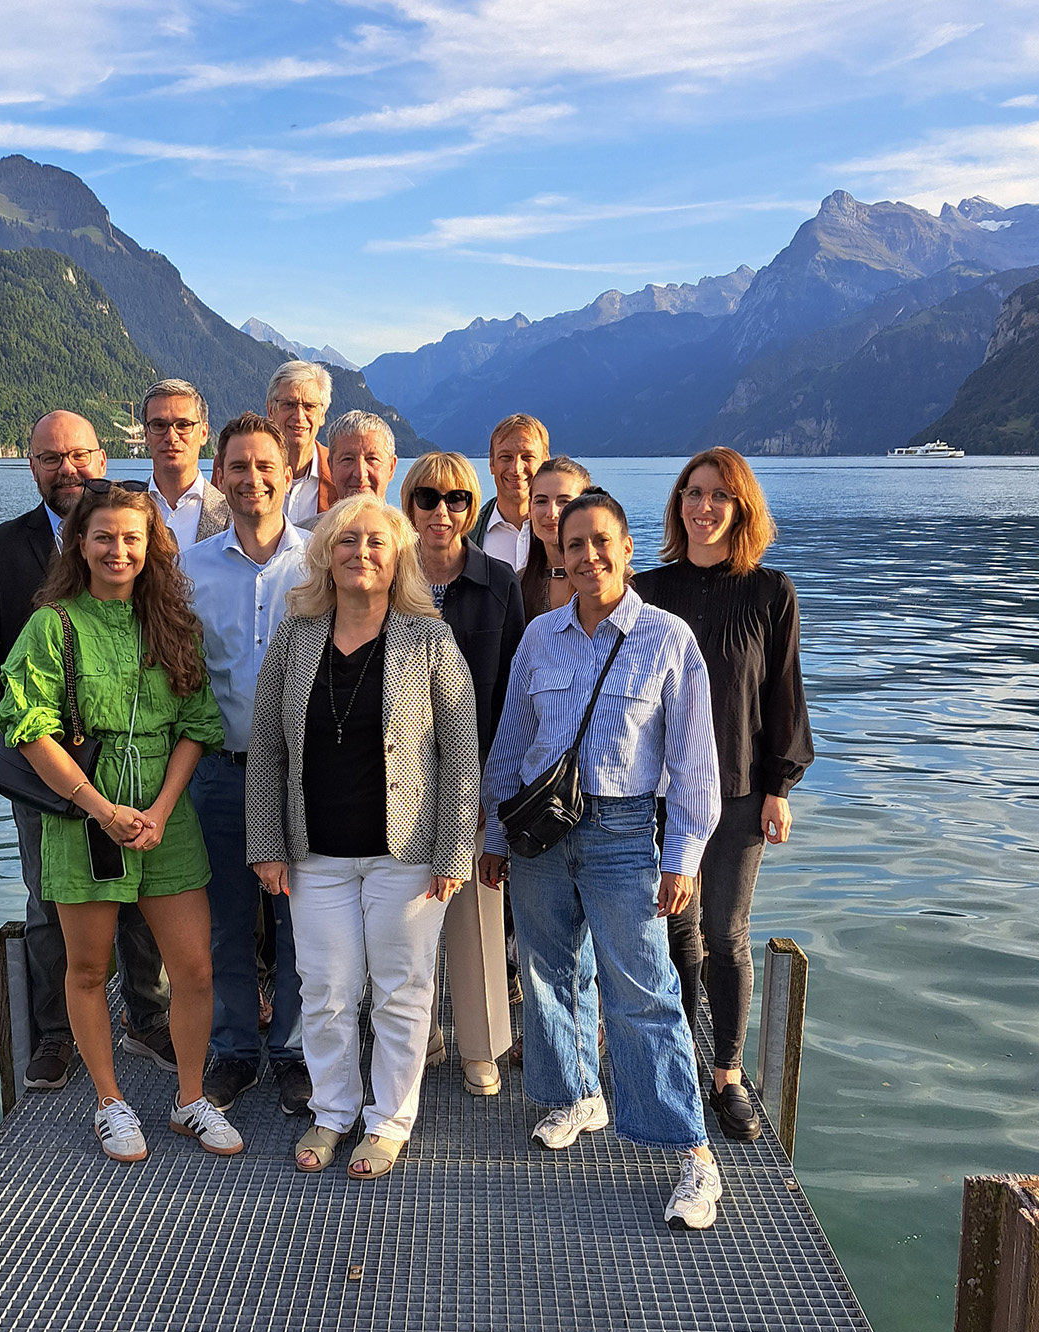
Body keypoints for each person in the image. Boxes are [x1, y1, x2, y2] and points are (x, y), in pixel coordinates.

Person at [480, 489, 725, 1229]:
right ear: (557, 552)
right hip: (542, 835)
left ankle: (692, 1155)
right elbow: (512, 747)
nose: (587, 556)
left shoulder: (667, 639)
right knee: (549, 973)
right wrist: (493, 838)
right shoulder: (540, 638)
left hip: (623, 833)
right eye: (574, 544)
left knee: (643, 990)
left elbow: (693, 765)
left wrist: (683, 857)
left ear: (627, 547)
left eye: (601, 542)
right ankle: (578, 1095)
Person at [0, 482, 240, 1160]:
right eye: (104, 536)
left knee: (192, 969)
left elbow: (197, 725)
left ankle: (190, 1099)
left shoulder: (172, 621)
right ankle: (110, 1101)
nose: (118, 549)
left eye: (132, 537)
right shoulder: (54, 625)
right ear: (79, 541)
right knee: (86, 967)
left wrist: (161, 810)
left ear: (151, 545)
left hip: (166, 819)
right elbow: (27, 726)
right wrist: (100, 810)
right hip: (84, 818)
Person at [247, 494, 480, 1179]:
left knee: (402, 991)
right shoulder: (295, 634)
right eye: (346, 541)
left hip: (406, 855)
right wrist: (266, 843)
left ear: (398, 553)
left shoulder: (429, 638)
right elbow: (266, 745)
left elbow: (462, 754)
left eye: (376, 541)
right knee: (324, 989)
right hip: (315, 853)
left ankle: (388, 1121)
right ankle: (333, 1111)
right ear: (324, 553)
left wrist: (454, 851)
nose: (361, 553)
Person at [0, 410, 174, 1090]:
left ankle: (147, 1018)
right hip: (44, 773)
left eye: (80, 456)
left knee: (137, 898)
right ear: (32, 467)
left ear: (102, 458)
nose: (68, 470)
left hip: (134, 766)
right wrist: (17, 769)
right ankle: (54, 1036)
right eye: (52, 458)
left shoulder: (137, 541)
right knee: (49, 903)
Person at [634, 448, 814, 1143]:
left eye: (718, 496)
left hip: (739, 789)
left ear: (742, 509)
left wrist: (780, 787)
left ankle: (727, 1075)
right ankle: (674, 1063)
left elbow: (784, 697)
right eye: (692, 493)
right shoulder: (646, 589)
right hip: (660, 792)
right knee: (674, 931)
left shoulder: (771, 592)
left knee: (725, 933)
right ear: (678, 504)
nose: (703, 507)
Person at [181, 412, 312, 1117]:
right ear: (220, 477)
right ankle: (235, 1050)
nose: (253, 479)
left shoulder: (319, 561)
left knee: (297, 925)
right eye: (238, 467)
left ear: (288, 474)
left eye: (266, 466)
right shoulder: (190, 568)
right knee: (228, 922)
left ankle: (292, 1054)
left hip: (301, 778)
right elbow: (177, 669)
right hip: (220, 772)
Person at [400, 451, 524, 1095]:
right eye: (427, 498)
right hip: (398, 778)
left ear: (472, 508)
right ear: (409, 505)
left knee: (476, 915)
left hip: (478, 775)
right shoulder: (388, 575)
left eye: (455, 500)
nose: (441, 511)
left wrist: (497, 787)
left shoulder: (500, 581)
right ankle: (421, 1037)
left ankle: (481, 1047)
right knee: (404, 916)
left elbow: (516, 691)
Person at [141, 379, 230, 547]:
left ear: (203, 433)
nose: (171, 437)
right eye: (159, 425)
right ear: (146, 434)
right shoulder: (123, 509)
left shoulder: (232, 514)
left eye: (183, 425)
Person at [469, 414, 550, 574]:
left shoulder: (566, 530)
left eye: (527, 457)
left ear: (545, 462)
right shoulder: (467, 535)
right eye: (506, 457)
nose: (516, 469)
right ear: (491, 463)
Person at [266, 359, 336, 526]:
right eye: (289, 404)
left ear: (322, 415)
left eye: (309, 406)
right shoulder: (238, 467)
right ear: (270, 410)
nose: (299, 416)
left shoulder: (339, 474)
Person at [522, 455, 590, 622]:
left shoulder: (618, 580)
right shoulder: (517, 584)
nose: (551, 513)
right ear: (529, 508)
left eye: (564, 501)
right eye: (541, 501)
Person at [322, 410, 398, 507]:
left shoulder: (405, 523)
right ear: (331, 467)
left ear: (391, 468)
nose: (360, 474)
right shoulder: (311, 523)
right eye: (348, 459)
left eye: (372, 459)